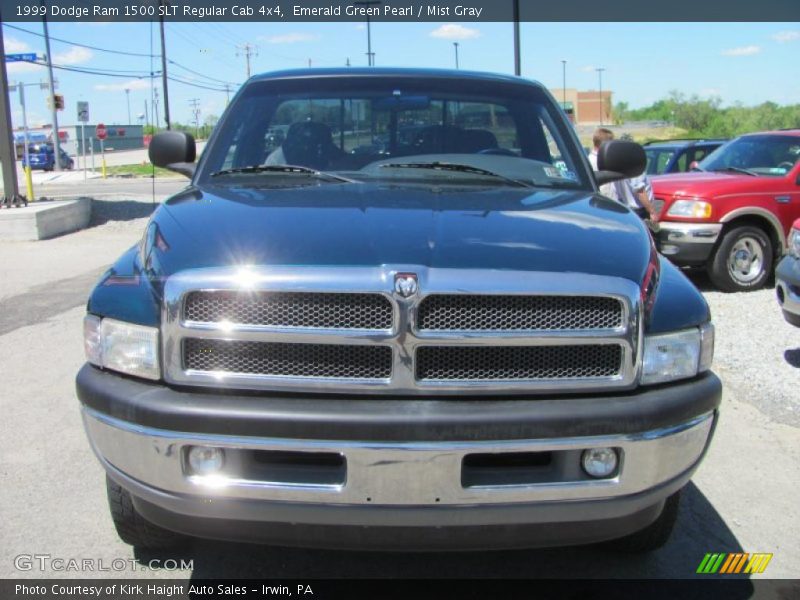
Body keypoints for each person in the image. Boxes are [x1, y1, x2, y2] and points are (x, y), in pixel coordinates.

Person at [588, 128, 657, 221]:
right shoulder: (603, 161)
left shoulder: (589, 160)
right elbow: (639, 191)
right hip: (611, 209)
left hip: (615, 208)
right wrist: (652, 211)